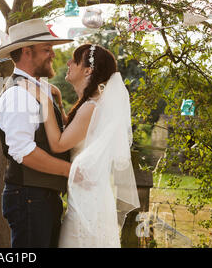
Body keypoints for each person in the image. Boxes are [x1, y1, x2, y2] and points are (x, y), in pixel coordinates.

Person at [19, 43, 141, 247]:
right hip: (89, 191)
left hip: (87, 197)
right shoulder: (92, 105)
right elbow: (75, 133)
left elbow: (59, 144)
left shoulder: (91, 108)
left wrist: (45, 102)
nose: (68, 63)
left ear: (88, 70)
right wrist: (57, 101)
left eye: (74, 61)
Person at [0, 18, 74, 248]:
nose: (53, 55)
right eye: (47, 49)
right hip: (29, 199)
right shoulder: (19, 94)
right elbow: (24, 152)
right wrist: (72, 171)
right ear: (27, 52)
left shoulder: (38, 90)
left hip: (40, 199)